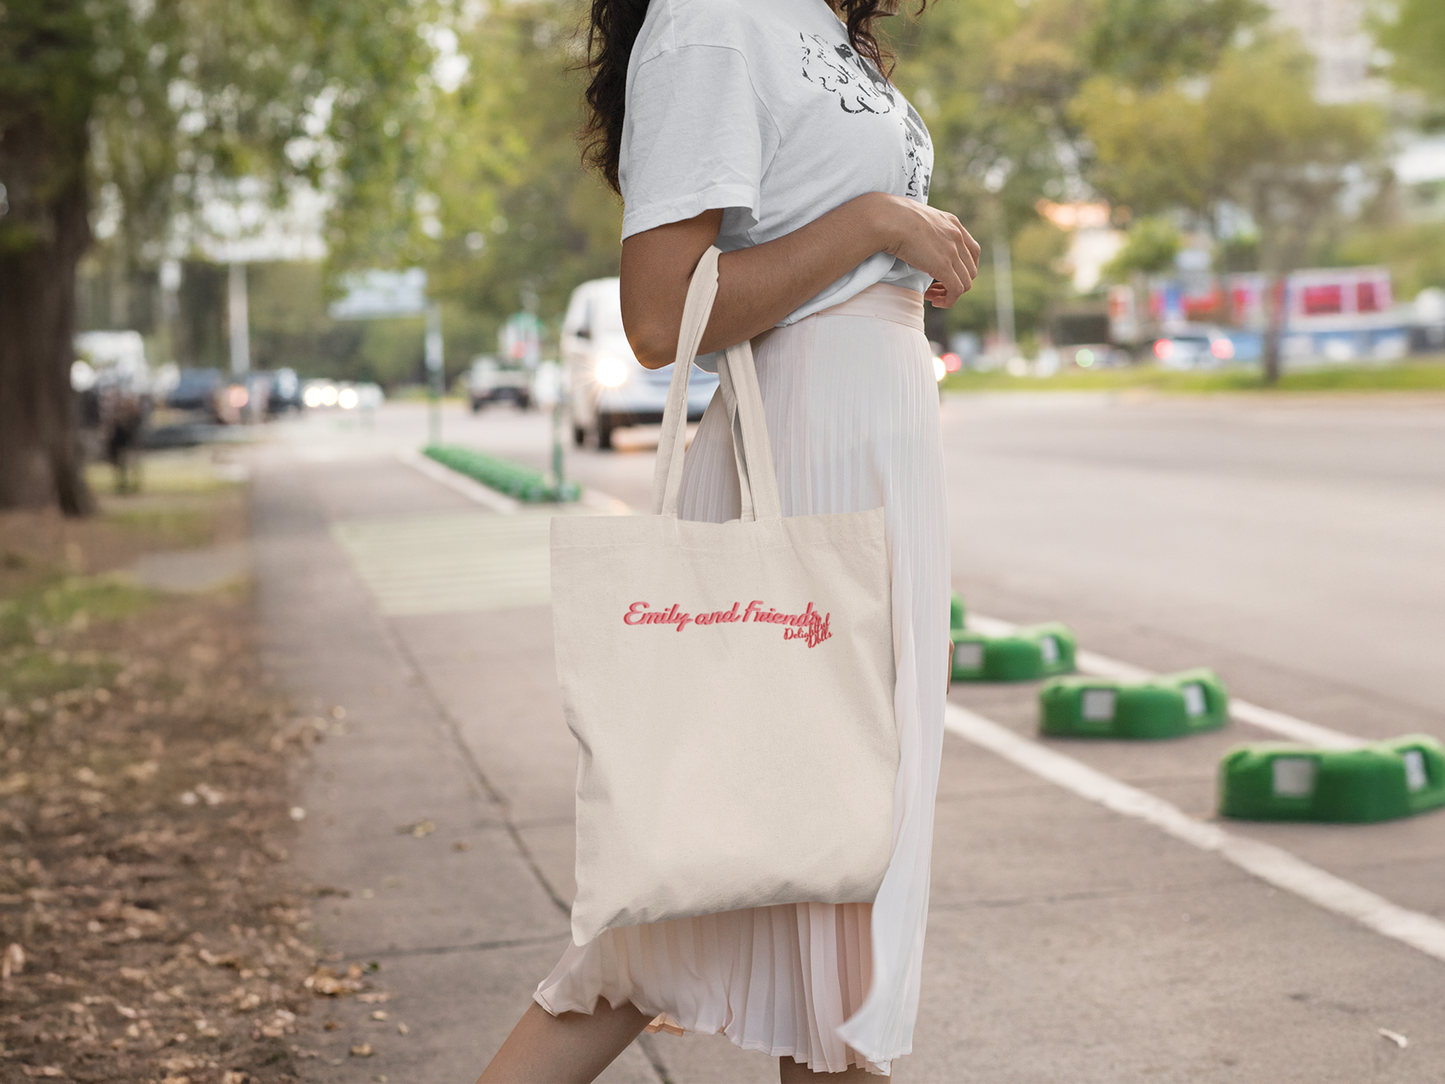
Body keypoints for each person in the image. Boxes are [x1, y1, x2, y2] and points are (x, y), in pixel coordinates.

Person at [479, 0, 978, 1079]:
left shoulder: (817, 23)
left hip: (876, 455)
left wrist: (893, 261)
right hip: (803, 467)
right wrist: (873, 227)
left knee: (801, 891)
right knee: (830, 884)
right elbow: (660, 319)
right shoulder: (712, 20)